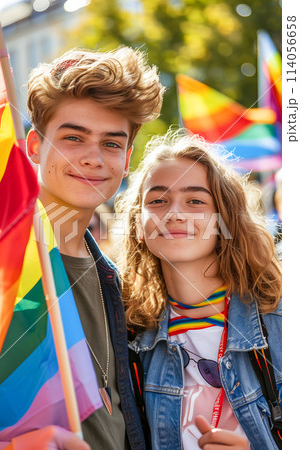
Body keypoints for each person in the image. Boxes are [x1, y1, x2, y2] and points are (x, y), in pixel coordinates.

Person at [0, 46, 165, 449]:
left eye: (112, 144)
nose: (93, 158)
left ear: (127, 157)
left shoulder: (114, 280)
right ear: (33, 146)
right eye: (73, 138)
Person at [116, 129, 282, 449]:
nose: (175, 213)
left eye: (195, 200)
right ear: (138, 225)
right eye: (158, 200)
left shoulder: (280, 319)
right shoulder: (128, 335)